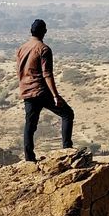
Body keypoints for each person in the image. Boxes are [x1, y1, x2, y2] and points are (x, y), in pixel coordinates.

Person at [16, 18, 75, 162]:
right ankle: (67, 149)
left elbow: (19, 70)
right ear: (44, 32)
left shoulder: (22, 48)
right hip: (41, 91)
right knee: (67, 114)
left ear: (31, 31)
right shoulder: (43, 49)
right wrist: (55, 95)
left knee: (30, 124)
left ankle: (29, 158)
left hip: (27, 91)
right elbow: (47, 74)